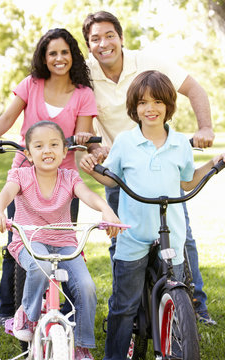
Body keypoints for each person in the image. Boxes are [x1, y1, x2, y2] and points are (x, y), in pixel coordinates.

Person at [82, 10, 216, 324]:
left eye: (109, 35)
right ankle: (127, 313)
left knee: (179, 236)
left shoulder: (149, 61)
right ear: (88, 46)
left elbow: (194, 88)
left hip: (159, 158)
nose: (104, 44)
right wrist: (92, 147)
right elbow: (82, 119)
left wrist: (206, 127)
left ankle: (194, 306)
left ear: (121, 37)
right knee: (122, 244)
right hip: (121, 168)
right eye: (95, 39)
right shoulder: (84, 73)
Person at [80, 70, 225, 359]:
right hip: (133, 233)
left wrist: (212, 162)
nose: (151, 108)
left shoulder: (180, 143)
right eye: (144, 103)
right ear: (134, 107)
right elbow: (112, 179)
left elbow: (186, 181)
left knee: (178, 293)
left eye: (158, 102)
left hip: (171, 232)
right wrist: (93, 169)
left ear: (169, 106)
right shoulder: (125, 142)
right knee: (124, 306)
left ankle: (175, 344)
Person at [0, 28, 97, 327]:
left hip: (63, 181)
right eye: (52, 53)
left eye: (64, 52)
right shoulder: (31, 84)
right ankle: (10, 312)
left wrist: (85, 137)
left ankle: (57, 312)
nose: (59, 58)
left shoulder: (83, 93)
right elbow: (8, 117)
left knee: (62, 248)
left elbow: (82, 135)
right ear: (44, 58)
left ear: (72, 54)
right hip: (26, 174)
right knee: (18, 243)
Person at [0, 121, 122, 360]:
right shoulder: (21, 175)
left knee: (86, 287)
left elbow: (89, 195)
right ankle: (27, 318)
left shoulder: (69, 177)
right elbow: (6, 194)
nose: (47, 150)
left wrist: (106, 209)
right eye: (38, 146)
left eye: (53, 145)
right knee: (39, 270)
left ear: (64, 152)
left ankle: (81, 345)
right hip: (30, 241)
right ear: (28, 154)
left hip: (64, 243)